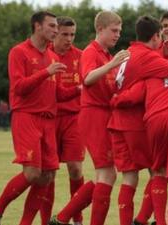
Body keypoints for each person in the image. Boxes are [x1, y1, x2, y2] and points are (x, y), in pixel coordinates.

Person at [108, 15, 168, 225]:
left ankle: (141, 219)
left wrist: (116, 100)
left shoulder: (126, 54)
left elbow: (123, 87)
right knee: (160, 172)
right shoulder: (148, 57)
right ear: (155, 37)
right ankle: (159, 220)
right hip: (135, 123)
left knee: (130, 178)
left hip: (116, 122)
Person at [0, 11, 77, 225]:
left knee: (47, 176)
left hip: (48, 120)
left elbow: (58, 94)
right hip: (26, 117)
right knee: (33, 173)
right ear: (37, 26)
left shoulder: (52, 56)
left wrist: (82, 88)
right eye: (52, 26)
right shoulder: (19, 52)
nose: (56, 30)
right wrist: (46, 72)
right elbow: (19, 88)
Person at [49, 11, 129, 225]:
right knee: (107, 174)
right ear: (100, 29)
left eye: (119, 31)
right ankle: (65, 218)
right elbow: (88, 79)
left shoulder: (106, 55)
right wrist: (113, 65)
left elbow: (108, 85)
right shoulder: (92, 52)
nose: (117, 35)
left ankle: (63, 218)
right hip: (94, 115)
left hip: (104, 115)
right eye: (114, 30)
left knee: (107, 175)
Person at [40, 16, 85, 225]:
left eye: (72, 34)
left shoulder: (82, 57)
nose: (69, 39)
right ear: (54, 33)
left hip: (74, 119)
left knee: (76, 168)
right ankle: (45, 220)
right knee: (48, 173)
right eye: (64, 34)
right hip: (49, 119)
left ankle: (77, 219)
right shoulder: (44, 55)